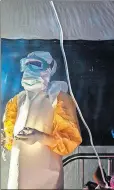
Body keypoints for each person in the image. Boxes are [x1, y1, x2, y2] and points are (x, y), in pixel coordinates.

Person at [1, 51, 82, 189]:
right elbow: (10, 138)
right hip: (17, 178)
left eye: (35, 65)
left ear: (48, 70)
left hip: (47, 179)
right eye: (26, 64)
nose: (28, 69)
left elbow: (70, 139)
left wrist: (40, 137)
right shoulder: (16, 101)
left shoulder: (59, 99)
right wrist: (4, 138)